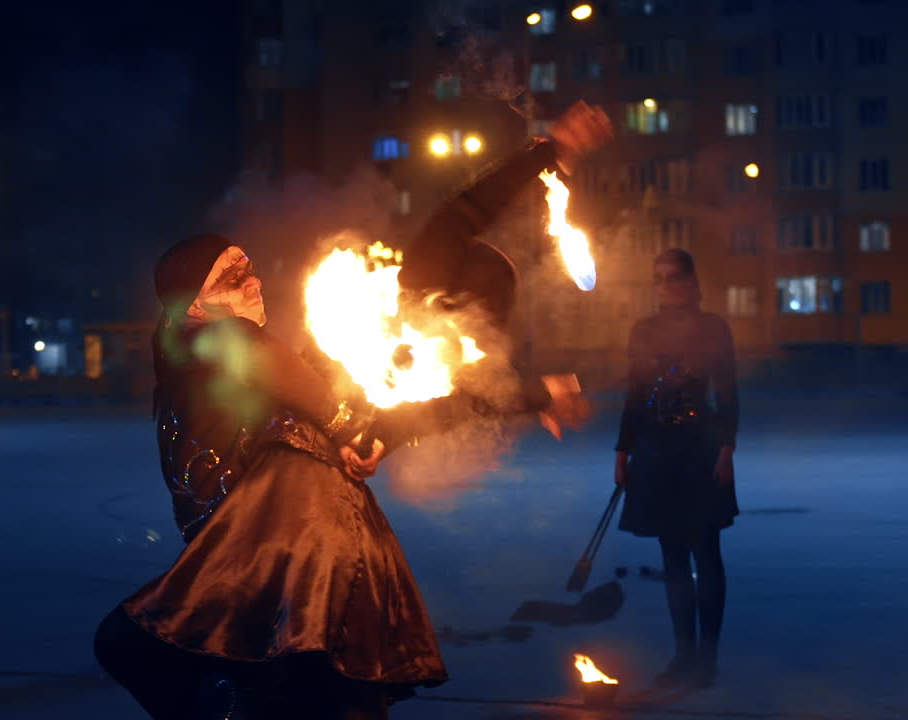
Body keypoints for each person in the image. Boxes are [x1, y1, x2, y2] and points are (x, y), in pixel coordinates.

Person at [96, 103, 611, 719]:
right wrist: (543, 154)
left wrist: (533, 397)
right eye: (233, 274)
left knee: (293, 687)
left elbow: (405, 416)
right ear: (192, 306)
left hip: (307, 558)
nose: (254, 281)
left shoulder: (331, 363)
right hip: (267, 563)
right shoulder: (205, 349)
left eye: (251, 269)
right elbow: (453, 225)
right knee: (211, 670)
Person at [613, 248, 739, 690]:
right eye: (660, 278)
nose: (667, 285)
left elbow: (727, 393)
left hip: (701, 450)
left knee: (706, 550)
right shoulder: (644, 331)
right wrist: (623, 451)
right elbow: (635, 395)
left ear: (691, 280)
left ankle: (707, 658)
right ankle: (683, 653)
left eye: (675, 277)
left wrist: (726, 449)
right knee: (673, 557)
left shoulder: (712, 329)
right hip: (657, 453)